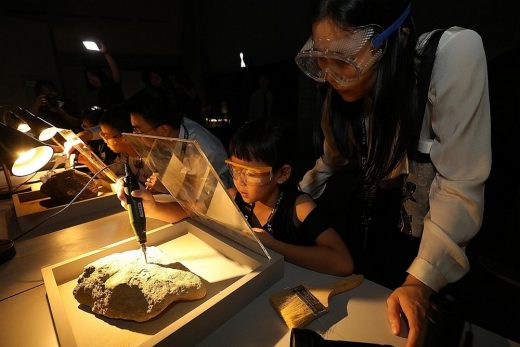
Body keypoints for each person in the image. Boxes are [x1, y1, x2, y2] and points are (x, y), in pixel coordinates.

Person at [295, 1, 491, 346]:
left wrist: (421, 281)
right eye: (320, 59)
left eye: (342, 60)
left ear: (396, 36)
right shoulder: (339, 88)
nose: (329, 75)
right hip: (379, 231)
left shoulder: (450, 55)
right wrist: (293, 195)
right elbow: (331, 158)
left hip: (436, 236)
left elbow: (459, 184)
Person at [118, 118, 354, 276]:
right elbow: (193, 213)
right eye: (234, 168)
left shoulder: (299, 206)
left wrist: (275, 246)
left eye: (251, 173)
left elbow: (343, 263)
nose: (239, 180)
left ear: (282, 174)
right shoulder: (234, 196)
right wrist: (152, 208)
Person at [127, 91, 233, 189]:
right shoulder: (171, 134)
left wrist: (171, 185)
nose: (135, 135)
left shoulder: (204, 151)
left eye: (138, 130)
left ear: (164, 130)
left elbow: (213, 198)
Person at [84, 41, 125, 109]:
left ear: (98, 74)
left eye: (93, 76)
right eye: (89, 79)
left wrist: (106, 53)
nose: (92, 80)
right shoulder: (99, 94)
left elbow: (115, 70)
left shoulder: (112, 85)